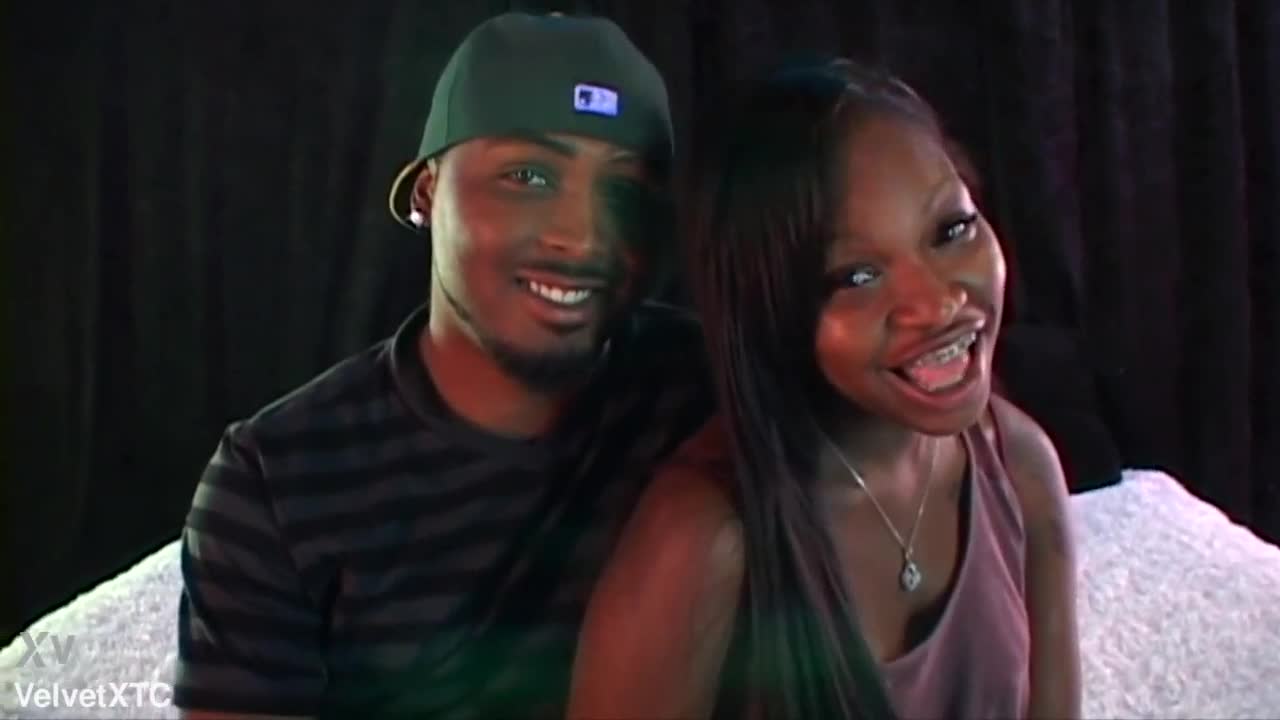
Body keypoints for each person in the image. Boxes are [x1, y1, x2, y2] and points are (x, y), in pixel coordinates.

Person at [174, 12, 712, 719]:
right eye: (528, 176)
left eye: (626, 191)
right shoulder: (277, 483)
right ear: (427, 193)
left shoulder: (707, 386)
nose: (583, 237)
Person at [568, 59, 1082, 720]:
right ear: (769, 309)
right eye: (858, 277)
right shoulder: (704, 541)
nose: (939, 304)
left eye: (951, 231)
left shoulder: (1021, 466)